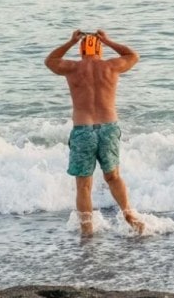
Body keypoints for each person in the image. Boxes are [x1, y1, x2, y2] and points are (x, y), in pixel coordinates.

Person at [44, 28, 148, 236]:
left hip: (83, 130)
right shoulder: (110, 66)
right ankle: (129, 215)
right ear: (99, 49)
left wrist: (70, 42)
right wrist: (108, 40)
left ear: (81, 50)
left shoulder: (72, 68)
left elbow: (50, 61)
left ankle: (87, 230)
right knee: (113, 177)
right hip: (108, 128)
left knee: (83, 185)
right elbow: (133, 56)